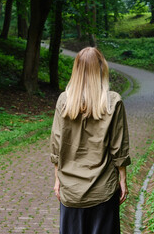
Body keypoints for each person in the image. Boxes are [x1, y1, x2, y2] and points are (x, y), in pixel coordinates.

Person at [50, 47, 131, 233]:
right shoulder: (113, 101)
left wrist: (57, 179)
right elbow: (118, 146)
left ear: (76, 69)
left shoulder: (64, 101)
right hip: (103, 189)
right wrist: (123, 179)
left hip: (71, 191)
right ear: (102, 68)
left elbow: (56, 144)